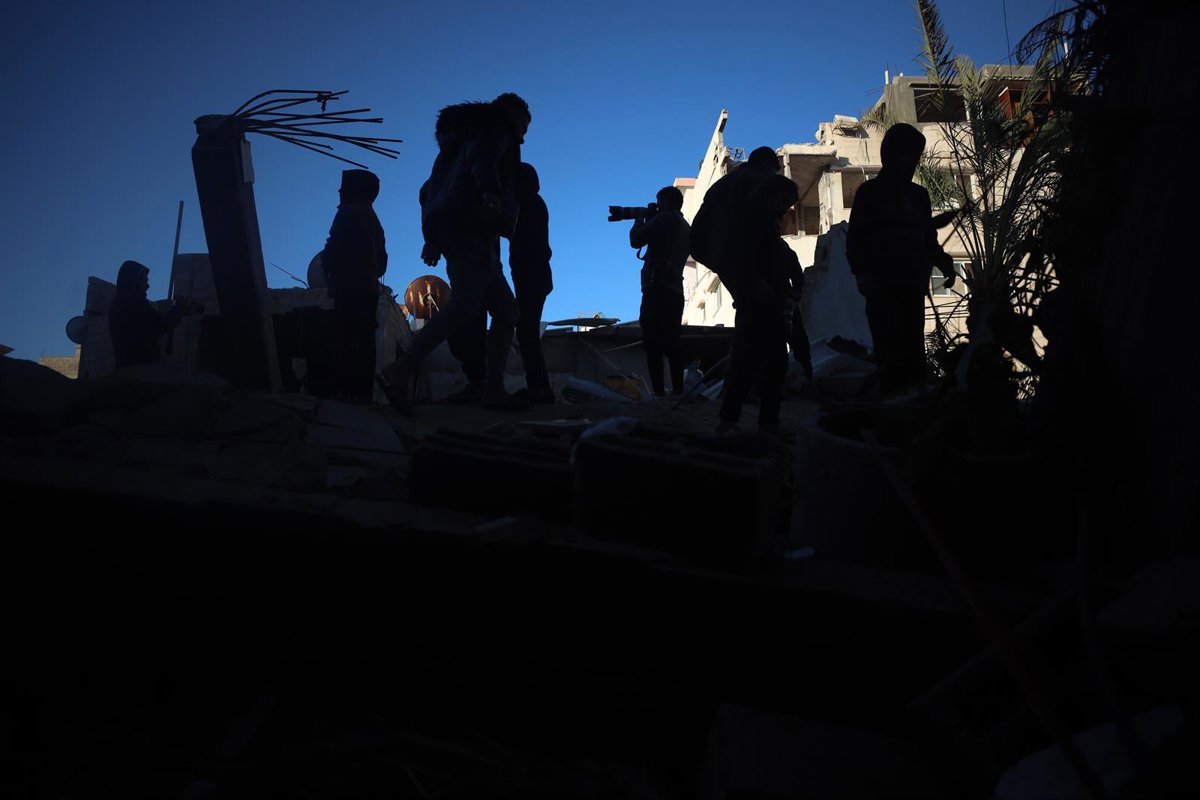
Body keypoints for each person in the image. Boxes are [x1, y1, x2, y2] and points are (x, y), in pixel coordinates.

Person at [379, 92, 530, 413]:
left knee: (506, 311)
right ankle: (401, 369)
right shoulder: (494, 131)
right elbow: (484, 160)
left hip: (468, 234)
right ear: (514, 117)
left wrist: (432, 237)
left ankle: (493, 388)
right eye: (524, 127)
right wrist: (490, 193)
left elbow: (429, 192)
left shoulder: (452, 150)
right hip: (473, 229)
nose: (523, 137)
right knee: (465, 306)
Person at [845, 122, 957, 394]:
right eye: (908, 154)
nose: (913, 161)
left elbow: (927, 237)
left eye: (916, 155)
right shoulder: (870, 192)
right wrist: (862, 273)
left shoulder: (919, 196)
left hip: (913, 287)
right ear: (892, 153)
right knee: (889, 354)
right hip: (881, 286)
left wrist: (943, 262)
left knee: (914, 351)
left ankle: (913, 405)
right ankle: (892, 406)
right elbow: (856, 237)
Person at [713, 174, 801, 433]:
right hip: (755, 304)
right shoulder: (749, 225)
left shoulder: (770, 230)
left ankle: (767, 422)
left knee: (776, 363)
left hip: (773, 303)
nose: (785, 209)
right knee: (745, 362)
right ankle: (730, 420)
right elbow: (739, 260)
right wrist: (754, 283)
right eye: (783, 202)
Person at [322, 168, 388, 403]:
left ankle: (346, 394)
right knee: (364, 340)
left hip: (349, 287)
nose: (340, 191)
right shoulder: (373, 220)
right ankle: (361, 395)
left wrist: (329, 265)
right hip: (367, 289)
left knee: (345, 339)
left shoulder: (348, 213)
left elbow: (333, 248)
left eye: (344, 187)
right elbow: (382, 263)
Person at [628, 185, 690, 396]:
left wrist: (640, 218)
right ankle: (678, 390)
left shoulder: (665, 218)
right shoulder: (684, 225)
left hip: (657, 287)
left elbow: (636, 239)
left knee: (652, 341)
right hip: (675, 289)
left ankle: (658, 392)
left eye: (659, 202)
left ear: (665, 202)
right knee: (672, 341)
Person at [108, 259, 200, 368]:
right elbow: (160, 324)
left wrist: (178, 312)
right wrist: (179, 309)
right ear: (135, 281)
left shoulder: (123, 302)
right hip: (137, 369)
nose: (148, 286)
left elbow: (153, 328)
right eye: (144, 281)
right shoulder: (132, 302)